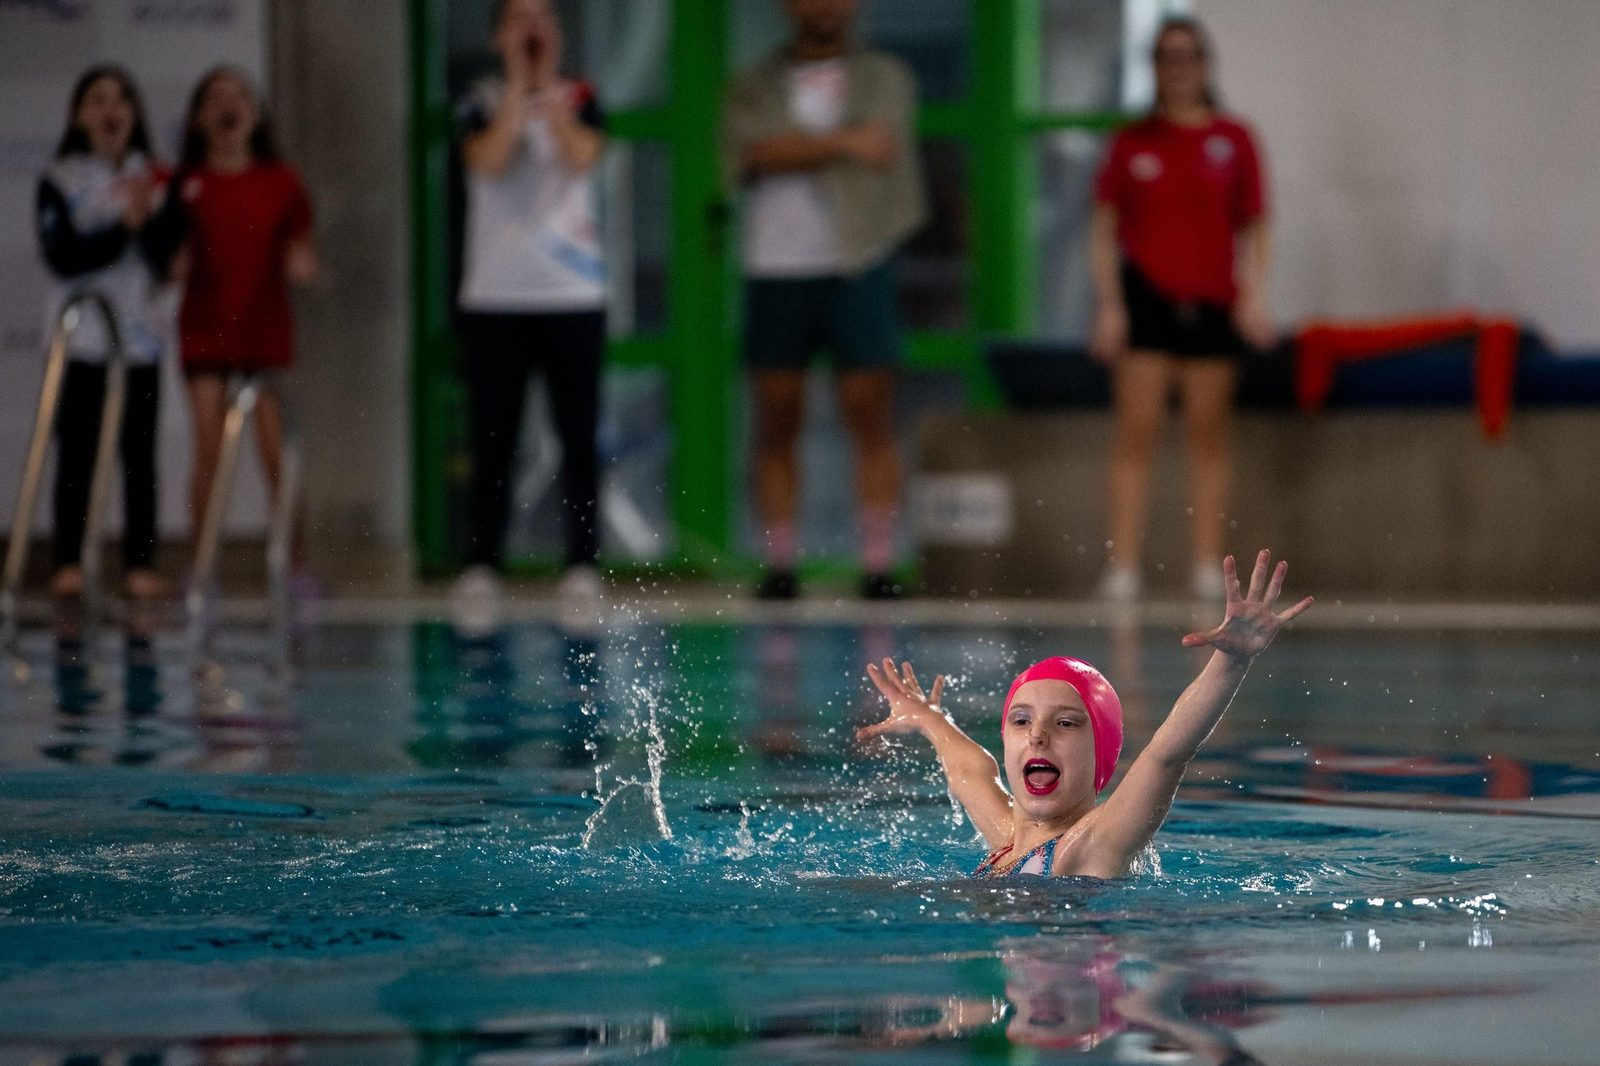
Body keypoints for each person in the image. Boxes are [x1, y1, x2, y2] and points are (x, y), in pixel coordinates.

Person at [857, 550, 1312, 878]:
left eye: (1066, 722)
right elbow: (970, 771)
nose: (1037, 735)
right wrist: (929, 718)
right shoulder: (1008, 840)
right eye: (1020, 720)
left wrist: (1231, 662)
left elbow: (1165, 755)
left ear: (1103, 755)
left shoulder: (1091, 846)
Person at [722, 0, 928, 600]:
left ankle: (878, 563)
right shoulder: (752, 82)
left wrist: (791, 146)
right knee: (776, 417)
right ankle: (781, 563)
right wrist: (843, 142)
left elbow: (882, 146)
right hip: (775, 268)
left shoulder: (885, 76)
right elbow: (750, 154)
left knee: (870, 415)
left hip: (857, 261)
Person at [1088, 17, 1273, 602]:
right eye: (1168, 57)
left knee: (1208, 439)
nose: (1179, 68)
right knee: (1135, 437)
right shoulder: (1132, 141)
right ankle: (1123, 566)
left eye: (1189, 56)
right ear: (1155, 68)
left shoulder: (1234, 138)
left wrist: (1253, 294)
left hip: (1212, 301)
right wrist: (1111, 306)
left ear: (1205, 64)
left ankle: (1204, 565)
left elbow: (1257, 226)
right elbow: (1102, 230)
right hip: (1146, 299)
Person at [452, 0, 608, 615]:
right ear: (498, 34)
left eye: (543, 17)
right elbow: (489, 159)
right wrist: (518, 86)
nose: (533, 29)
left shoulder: (583, 96)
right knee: (493, 437)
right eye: (520, 18)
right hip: (496, 297)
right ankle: (482, 561)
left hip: (572, 296)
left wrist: (549, 92)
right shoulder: (478, 100)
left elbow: (581, 156)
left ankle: (581, 562)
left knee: (577, 434)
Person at [36, 66, 184, 602]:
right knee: (75, 452)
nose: (110, 109)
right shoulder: (62, 177)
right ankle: (69, 560)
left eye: (121, 99)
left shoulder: (157, 180)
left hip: (139, 337)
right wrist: (123, 226)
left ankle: (140, 563)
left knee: (137, 453)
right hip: (82, 341)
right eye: (97, 100)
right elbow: (63, 257)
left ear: (135, 115)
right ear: (80, 115)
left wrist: (145, 224)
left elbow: (170, 261)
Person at [173, 67, 318, 580]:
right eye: (216, 99)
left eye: (239, 98)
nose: (228, 106)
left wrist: (303, 264)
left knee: (278, 455)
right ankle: (203, 567)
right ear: (198, 117)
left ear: (256, 116)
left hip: (263, 329)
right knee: (209, 452)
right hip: (206, 329)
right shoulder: (185, 185)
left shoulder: (280, 182)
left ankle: (294, 568)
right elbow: (167, 254)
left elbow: (302, 249)